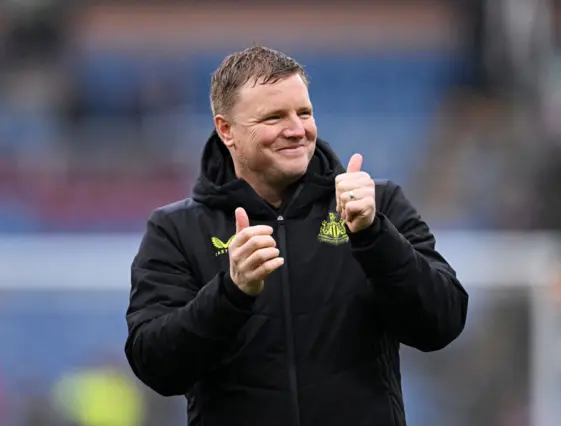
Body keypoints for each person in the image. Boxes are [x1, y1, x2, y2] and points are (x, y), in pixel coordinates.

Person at [125, 45, 469, 426]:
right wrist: (231, 293)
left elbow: (443, 322)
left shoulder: (377, 204)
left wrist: (375, 236)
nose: (296, 130)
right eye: (274, 117)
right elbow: (155, 365)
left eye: (304, 112)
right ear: (227, 130)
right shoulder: (176, 229)